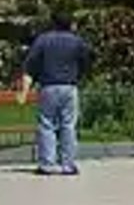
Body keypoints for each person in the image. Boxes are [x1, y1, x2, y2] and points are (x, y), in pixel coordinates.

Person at [19, 11, 93, 176]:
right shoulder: (77, 41)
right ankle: (68, 165)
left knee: (46, 124)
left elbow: (30, 66)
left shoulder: (43, 40)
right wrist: (78, 77)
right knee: (68, 125)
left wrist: (25, 91)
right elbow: (86, 63)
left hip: (48, 87)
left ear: (53, 23)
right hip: (69, 87)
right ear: (70, 24)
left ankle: (47, 164)